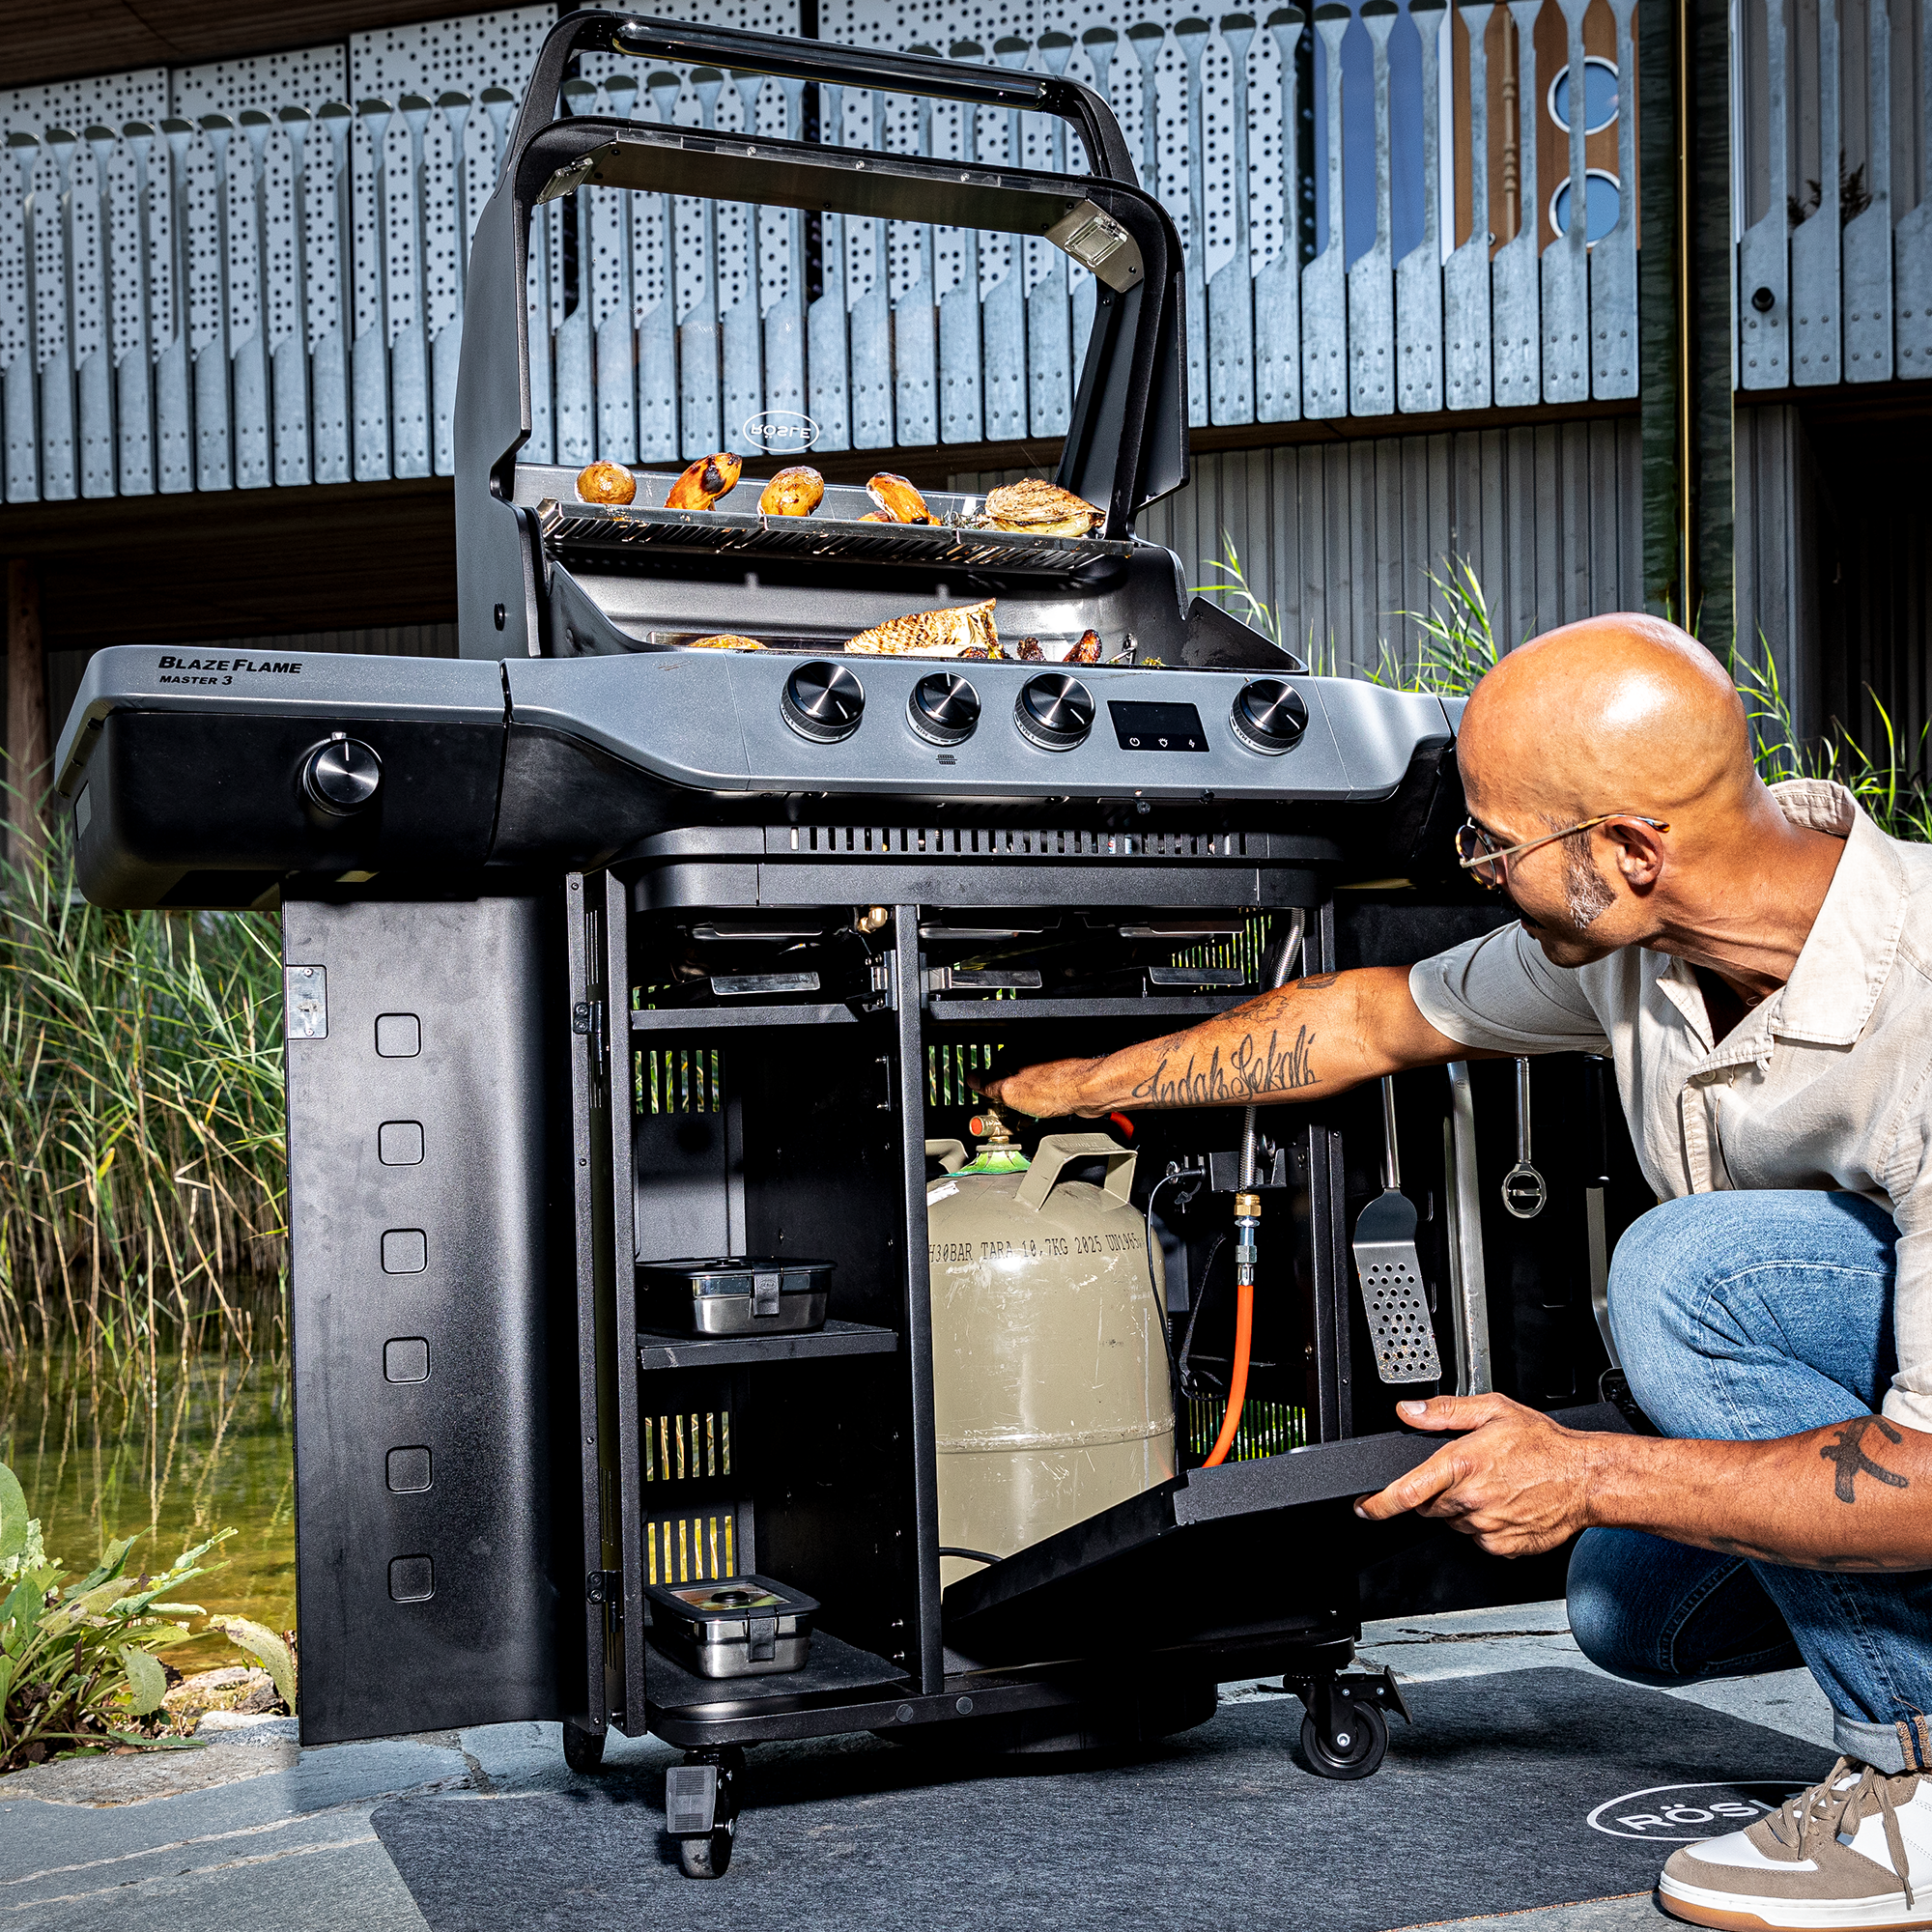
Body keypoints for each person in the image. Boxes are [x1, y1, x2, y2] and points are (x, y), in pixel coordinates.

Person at [977, 614, 1932, 1932]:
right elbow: (1368, 1018)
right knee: (1627, 1606)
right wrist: (1070, 1087)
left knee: (1688, 1274)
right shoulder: (1652, 946)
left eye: (1494, 844)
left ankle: (1911, 1773)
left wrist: (1586, 1472)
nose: (1479, 873)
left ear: (1631, 851)